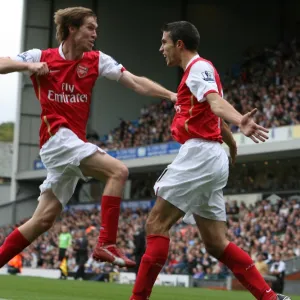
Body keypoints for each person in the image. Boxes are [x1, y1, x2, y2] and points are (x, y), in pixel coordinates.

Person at [0, 7, 177, 270]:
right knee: (118, 171)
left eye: (96, 29)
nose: (95, 34)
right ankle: (106, 243)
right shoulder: (42, 56)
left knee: (43, 220)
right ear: (72, 28)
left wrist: (171, 96)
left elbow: (136, 82)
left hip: (72, 144)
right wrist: (29, 65)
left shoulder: (96, 60)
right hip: (56, 138)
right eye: (90, 28)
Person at [130, 21, 290, 300]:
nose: (161, 48)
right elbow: (212, 114)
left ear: (179, 44)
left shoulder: (198, 68)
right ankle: (270, 297)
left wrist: (241, 121)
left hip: (200, 155)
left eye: (164, 42)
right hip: (212, 155)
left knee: (156, 225)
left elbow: (216, 104)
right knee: (216, 243)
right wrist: (230, 142)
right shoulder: (195, 74)